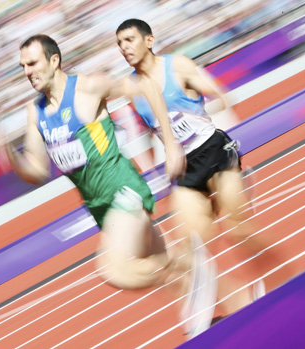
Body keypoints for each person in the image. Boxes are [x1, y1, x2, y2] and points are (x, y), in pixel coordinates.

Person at [0, 34, 217, 337]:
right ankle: (216, 305)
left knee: (114, 269)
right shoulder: (37, 112)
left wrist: (171, 144)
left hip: (124, 190)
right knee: (159, 263)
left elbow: (146, 85)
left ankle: (191, 267)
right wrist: (10, 156)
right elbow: (36, 170)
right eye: (22, 66)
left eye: (32, 63)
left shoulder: (87, 87)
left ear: (54, 60)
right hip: (99, 207)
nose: (27, 71)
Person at [115, 19, 268, 318]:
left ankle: (277, 285)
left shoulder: (179, 66)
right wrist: (155, 164)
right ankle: (237, 304)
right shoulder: (130, 88)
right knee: (190, 247)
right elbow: (147, 130)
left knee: (240, 232)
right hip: (185, 170)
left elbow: (222, 96)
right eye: (120, 43)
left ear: (149, 40)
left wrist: (199, 119)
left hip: (213, 151)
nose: (124, 48)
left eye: (130, 40)